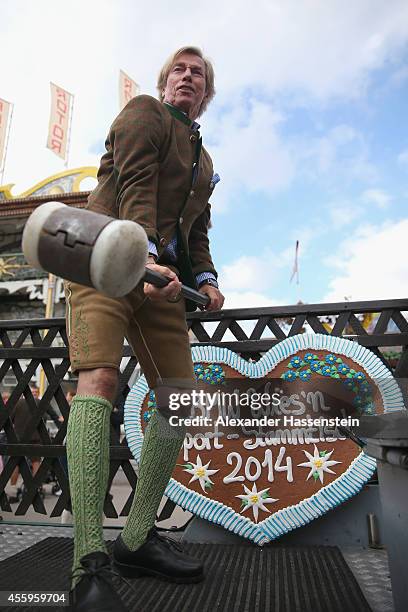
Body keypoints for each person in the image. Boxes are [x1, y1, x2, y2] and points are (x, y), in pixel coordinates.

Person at [64, 46, 224, 610]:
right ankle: (89, 560)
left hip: (163, 279)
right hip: (105, 255)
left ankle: (134, 539)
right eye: (179, 69)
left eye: (197, 73)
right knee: (99, 382)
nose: (187, 77)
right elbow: (135, 186)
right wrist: (147, 253)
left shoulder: (205, 161)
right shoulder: (143, 114)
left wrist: (204, 277)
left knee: (179, 403)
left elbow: (196, 227)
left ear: (206, 93)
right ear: (164, 83)